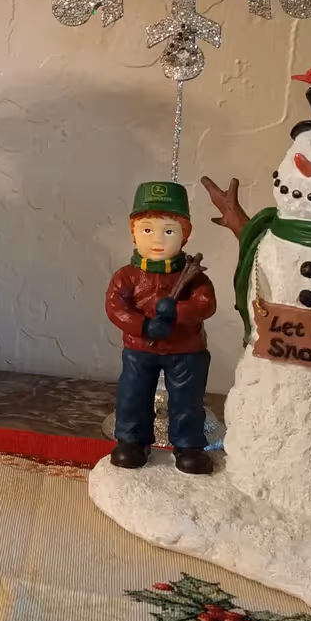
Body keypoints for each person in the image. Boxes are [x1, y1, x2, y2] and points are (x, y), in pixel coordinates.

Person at [105, 181, 218, 473]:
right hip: (139, 349)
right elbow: (116, 307)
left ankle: (188, 445)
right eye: (147, 230)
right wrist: (143, 325)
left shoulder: (192, 276)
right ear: (133, 233)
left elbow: (206, 303)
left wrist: (178, 312)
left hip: (186, 350)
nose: (158, 239)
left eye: (169, 231)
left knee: (187, 399)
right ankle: (132, 441)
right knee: (133, 394)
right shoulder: (127, 276)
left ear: (184, 235)